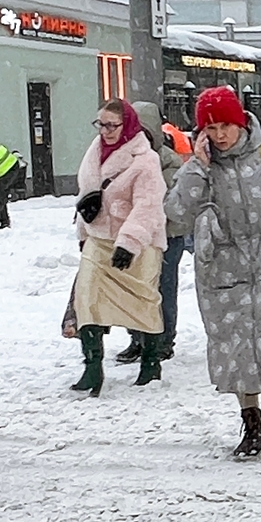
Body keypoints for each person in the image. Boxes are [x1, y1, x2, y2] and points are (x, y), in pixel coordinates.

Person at [165, 86, 261, 457]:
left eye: (225, 126)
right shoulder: (199, 169)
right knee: (234, 348)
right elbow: (176, 214)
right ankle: (250, 422)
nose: (219, 135)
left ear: (239, 122)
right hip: (222, 272)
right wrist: (197, 167)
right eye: (210, 127)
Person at [69, 97, 169, 395]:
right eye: (101, 124)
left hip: (139, 243)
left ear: (127, 126)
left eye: (112, 125)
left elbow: (148, 205)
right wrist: (83, 234)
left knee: (143, 301)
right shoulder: (93, 152)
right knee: (86, 300)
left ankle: (151, 363)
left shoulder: (145, 159)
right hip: (98, 239)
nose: (106, 130)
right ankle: (92, 367)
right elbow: (87, 194)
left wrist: (129, 243)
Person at [113, 102, 188, 366]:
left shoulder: (168, 162)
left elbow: (169, 201)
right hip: (134, 237)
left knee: (163, 288)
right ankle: (137, 338)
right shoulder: (121, 161)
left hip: (167, 236)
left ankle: (163, 341)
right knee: (133, 288)